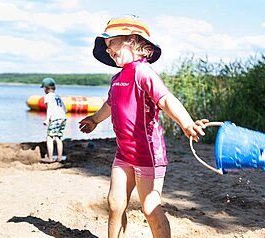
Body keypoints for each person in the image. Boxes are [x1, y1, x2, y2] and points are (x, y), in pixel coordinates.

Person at [79, 15, 208, 238]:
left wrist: (186, 123)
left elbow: (166, 99)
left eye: (112, 43)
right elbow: (110, 104)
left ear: (134, 42)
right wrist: (94, 119)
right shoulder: (117, 78)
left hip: (148, 154)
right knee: (115, 204)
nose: (108, 49)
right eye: (107, 45)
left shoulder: (143, 72)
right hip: (124, 153)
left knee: (150, 208)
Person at [40, 77, 67, 163]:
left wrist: (47, 120)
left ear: (45, 88)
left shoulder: (47, 96)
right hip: (63, 117)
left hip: (55, 118)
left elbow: (49, 109)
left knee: (50, 137)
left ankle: (50, 158)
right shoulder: (57, 96)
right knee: (58, 137)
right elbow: (65, 109)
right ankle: (59, 157)